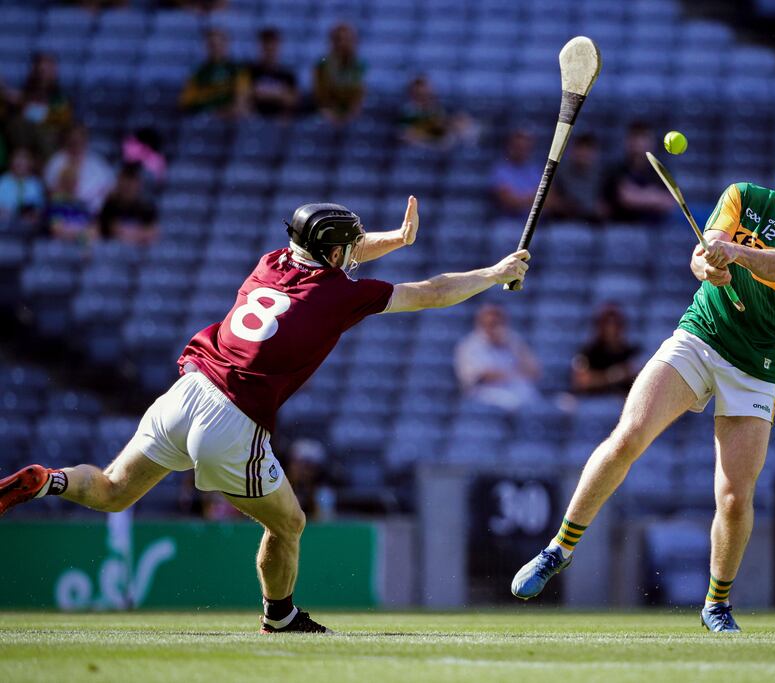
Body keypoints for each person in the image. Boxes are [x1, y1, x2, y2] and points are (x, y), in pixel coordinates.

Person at [0, 196, 530, 633]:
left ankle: (49, 480)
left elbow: (337, 254)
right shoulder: (339, 296)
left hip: (185, 392)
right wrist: (496, 271)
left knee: (113, 490)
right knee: (289, 522)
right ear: (336, 251)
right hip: (232, 417)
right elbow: (432, 292)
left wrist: (396, 239)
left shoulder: (271, 262)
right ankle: (280, 616)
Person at [511, 134, 775, 633]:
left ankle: (716, 604)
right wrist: (709, 264)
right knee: (628, 436)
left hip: (755, 367)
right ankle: (557, 549)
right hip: (698, 338)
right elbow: (700, 259)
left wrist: (734, 254)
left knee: (735, 497)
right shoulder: (742, 197)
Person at [455, 304, 542, 412]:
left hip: (514, 388)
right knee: (512, 402)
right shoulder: (470, 345)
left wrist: (512, 347)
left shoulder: (513, 340)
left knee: (533, 400)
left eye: (498, 323)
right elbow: (478, 376)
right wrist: (511, 374)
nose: (494, 328)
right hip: (484, 393)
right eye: (490, 324)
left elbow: (534, 372)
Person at [602, 121, 676, 224]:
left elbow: (670, 202)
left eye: (644, 138)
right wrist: (653, 194)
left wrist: (639, 194)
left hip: (654, 229)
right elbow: (627, 199)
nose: (639, 144)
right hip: (622, 228)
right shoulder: (616, 170)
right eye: (636, 138)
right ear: (628, 142)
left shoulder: (660, 170)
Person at [44, 124, 115, 215]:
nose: (76, 142)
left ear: (85, 140)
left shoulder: (98, 163)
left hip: (94, 215)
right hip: (63, 212)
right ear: (66, 139)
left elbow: (111, 188)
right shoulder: (55, 161)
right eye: (72, 139)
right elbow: (49, 190)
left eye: (80, 138)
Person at [571, 303, 640, 396]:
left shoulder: (632, 353)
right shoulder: (589, 353)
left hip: (624, 404)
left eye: (616, 324)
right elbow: (581, 380)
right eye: (606, 323)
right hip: (594, 404)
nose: (611, 329)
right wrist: (615, 375)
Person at [179, 28, 249, 117]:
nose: (216, 48)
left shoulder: (238, 70)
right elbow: (186, 102)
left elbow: (241, 102)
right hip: (204, 121)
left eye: (219, 44)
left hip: (230, 121)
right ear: (207, 47)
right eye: (212, 45)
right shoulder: (199, 72)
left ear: (226, 44)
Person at [398, 75, 477, 150]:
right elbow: (407, 135)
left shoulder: (439, 107)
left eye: (426, 91)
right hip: (421, 150)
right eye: (419, 92)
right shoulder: (408, 111)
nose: (424, 95)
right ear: (412, 93)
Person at [548, 132, 608, 225]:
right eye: (581, 149)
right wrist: (574, 207)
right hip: (564, 222)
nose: (583, 154)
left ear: (594, 153)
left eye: (588, 149)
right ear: (573, 151)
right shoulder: (560, 173)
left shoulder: (602, 175)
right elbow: (551, 201)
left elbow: (605, 207)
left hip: (592, 223)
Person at [312, 23, 366, 125]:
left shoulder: (359, 66)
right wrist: (330, 114)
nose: (342, 44)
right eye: (338, 39)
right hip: (326, 116)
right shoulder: (322, 64)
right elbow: (320, 96)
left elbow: (359, 95)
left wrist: (350, 115)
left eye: (347, 40)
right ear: (332, 42)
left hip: (352, 117)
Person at [98, 164, 159, 246]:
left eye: (131, 183)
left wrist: (128, 234)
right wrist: (140, 233)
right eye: (125, 183)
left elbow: (153, 233)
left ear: (138, 185)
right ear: (119, 183)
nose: (128, 187)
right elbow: (114, 231)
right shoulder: (110, 205)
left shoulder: (146, 207)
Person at [247, 28, 299, 118]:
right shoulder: (250, 72)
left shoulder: (287, 74)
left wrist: (262, 93)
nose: (270, 51)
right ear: (261, 47)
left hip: (280, 122)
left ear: (278, 47)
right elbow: (246, 95)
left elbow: (292, 100)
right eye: (267, 47)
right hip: (255, 120)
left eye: (273, 47)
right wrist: (280, 93)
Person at [490, 129, 541, 218]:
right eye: (518, 147)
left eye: (525, 148)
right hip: (507, 223)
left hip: (538, 222)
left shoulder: (536, 170)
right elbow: (509, 202)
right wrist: (535, 199)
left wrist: (522, 200)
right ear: (509, 147)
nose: (521, 151)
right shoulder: (499, 170)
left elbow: (550, 199)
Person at [0, 146, 46, 228]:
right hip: (4, 228)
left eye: (24, 158)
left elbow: (40, 208)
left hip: (28, 229)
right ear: (11, 161)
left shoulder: (35, 184)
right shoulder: (3, 181)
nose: (20, 162)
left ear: (31, 162)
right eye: (17, 158)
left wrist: (34, 213)